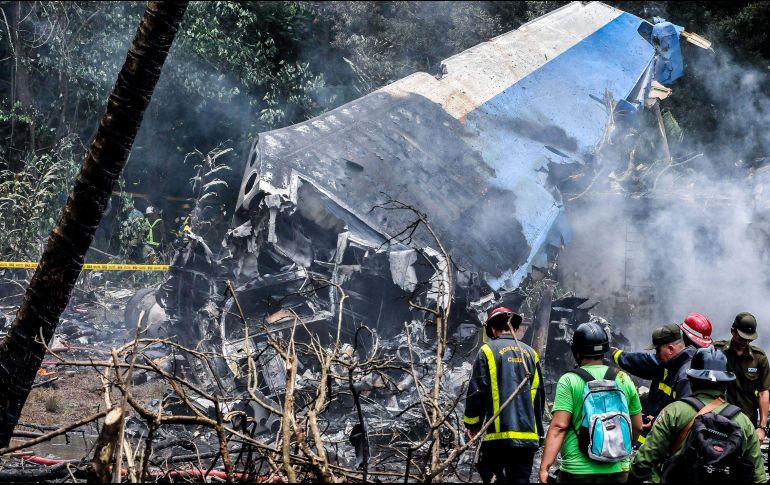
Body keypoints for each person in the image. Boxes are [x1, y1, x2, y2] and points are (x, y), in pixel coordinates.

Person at [628, 346, 767, 483]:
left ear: (692, 380)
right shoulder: (743, 422)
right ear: (725, 384)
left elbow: (643, 462)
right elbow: (758, 477)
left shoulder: (673, 412)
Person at [539, 322, 643, 483]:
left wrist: (545, 468)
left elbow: (559, 427)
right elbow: (637, 426)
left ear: (576, 351)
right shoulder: (623, 378)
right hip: (618, 470)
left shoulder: (569, 380)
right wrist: (621, 449)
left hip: (577, 471)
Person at [464, 306, 545, 483]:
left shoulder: (487, 351)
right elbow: (538, 397)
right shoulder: (531, 354)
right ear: (514, 328)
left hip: (496, 437)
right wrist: (539, 432)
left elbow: (477, 391)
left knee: (492, 475)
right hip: (526, 438)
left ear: (492, 329)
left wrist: (472, 424)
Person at [611, 323, 696, 444]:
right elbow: (642, 362)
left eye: (657, 350)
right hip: (656, 433)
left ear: (671, 349)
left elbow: (685, 419)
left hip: (667, 443)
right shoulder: (669, 365)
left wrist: (657, 421)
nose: (656, 355)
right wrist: (616, 356)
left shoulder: (685, 377)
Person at [714, 312, 770, 442]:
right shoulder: (717, 351)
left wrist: (762, 427)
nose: (745, 342)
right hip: (718, 421)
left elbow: (763, 393)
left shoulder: (759, 358)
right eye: (742, 338)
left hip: (746, 423)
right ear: (733, 331)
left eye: (749, 339)